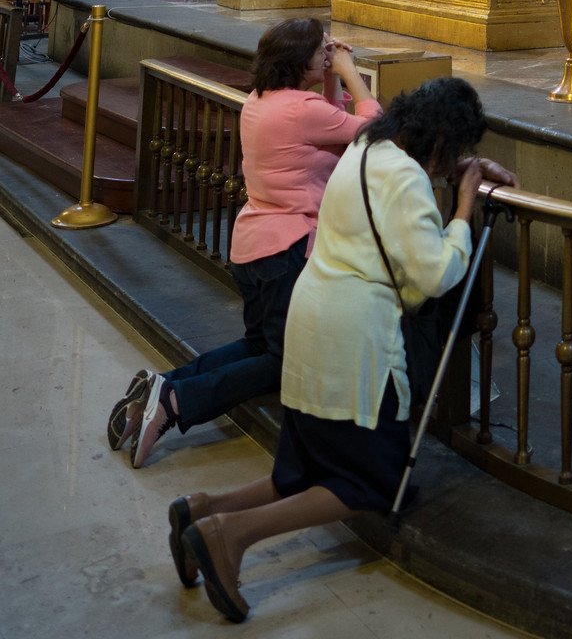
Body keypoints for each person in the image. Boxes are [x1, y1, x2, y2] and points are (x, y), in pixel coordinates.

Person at [170, 79, 517, 622]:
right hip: (355, 340)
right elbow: (434, 274)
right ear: (443, 140)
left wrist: (457, 168)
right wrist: (464, 206)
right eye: (454, 153)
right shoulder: (404, 177)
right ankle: (229, 535)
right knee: (369, 484)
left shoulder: (367, 148)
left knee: (307, 464)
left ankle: (204, 508)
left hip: (314, 319)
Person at [114, 19, 380, 468]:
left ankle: (163, 383)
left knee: (259, 345)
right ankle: (176, 403)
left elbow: (333, 124)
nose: (328, 55)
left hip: (254, 244)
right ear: (299, 61)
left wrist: (330, 75)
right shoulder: (302, 110)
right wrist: (353, 72)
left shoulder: (262, 100)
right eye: (321, 52)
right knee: (283, 361)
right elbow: (372, 129)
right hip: (286, 250)